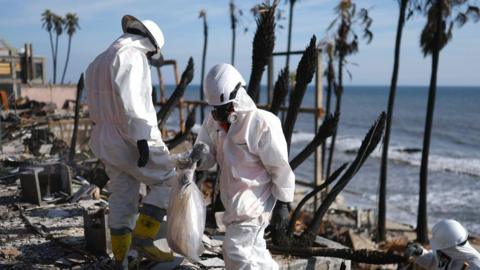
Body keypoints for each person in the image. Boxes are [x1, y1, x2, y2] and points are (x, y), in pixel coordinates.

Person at [85, 15, 175, 268]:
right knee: (170, 180)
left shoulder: (97, 61)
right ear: (152, 46)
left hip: (105, 138)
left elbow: (96, 105)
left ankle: (122, 259)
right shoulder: (132, 56)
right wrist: (143, 140)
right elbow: (133, 102)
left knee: (122, 192)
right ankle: (145, 238)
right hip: (131, 137)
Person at [194, 63, 295, 269]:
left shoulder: (262, 123)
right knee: (255, 254)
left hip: (255, 202)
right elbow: (207, 155)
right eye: (217, 110)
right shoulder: (213, 123)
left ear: (238, 97)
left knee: (235, 252)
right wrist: (196, 158)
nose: (221, 117)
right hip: (233, 202)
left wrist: (283, 203)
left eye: (226, 110)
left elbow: (279, 166)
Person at [406, 219, 480, 270]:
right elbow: (434, 262)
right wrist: (421, 253)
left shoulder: (476, 266)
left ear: (449, 248)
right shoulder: (450, 254)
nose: (440, 252)